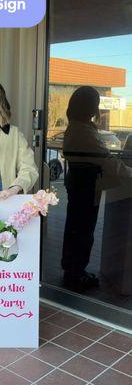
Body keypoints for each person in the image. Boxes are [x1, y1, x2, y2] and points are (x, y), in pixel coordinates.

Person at [61, 86, 132, 292]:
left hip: (77, 184)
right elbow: (107, 161)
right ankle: (77, 274)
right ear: (89, 107)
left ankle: (72, 271)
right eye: (95, 104)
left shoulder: (74, 127)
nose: (97, 109)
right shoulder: (83, 131)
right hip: (86, 186)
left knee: (74, 228)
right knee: (83, 230)